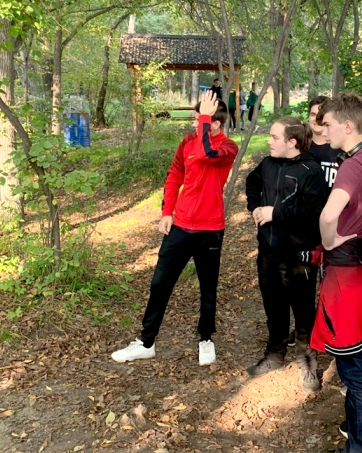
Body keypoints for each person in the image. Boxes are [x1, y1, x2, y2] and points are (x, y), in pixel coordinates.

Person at [111, 94, 238, 366]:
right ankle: (146, 342)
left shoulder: (228, 147)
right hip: (180, 226)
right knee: (159, 284)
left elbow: (207, 154)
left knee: (208, 288)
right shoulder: (187, 142)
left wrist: (205, 119)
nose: (194, 124)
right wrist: (167, 211)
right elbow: (174, 174)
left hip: (210, 229)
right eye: (196, 119)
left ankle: (206, 338)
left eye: (199, 119)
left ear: (214, 123)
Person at [310, 93, 362, 453]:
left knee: (356, 374)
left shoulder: (353, 165)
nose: (322, 130)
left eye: (327, 124)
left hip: (348, 284)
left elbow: (328, 215)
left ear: (347, 125)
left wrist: (329, 241)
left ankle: (359, 449)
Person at [245, 117, 328, 392]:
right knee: (273, 306)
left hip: (299, 256)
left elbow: (314, 212)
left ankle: (308, 364)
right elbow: (251, 181)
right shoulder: (267, 164)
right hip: (269, 251)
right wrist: (256, 207)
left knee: (303, 312)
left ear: (292, 142)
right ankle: (274, 355)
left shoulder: (310, 170)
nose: (269, 141)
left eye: (274, 137)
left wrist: (275, 213)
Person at [308, 95, 342, 194]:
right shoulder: (301, 147)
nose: (316, 119)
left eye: (321, 115)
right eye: (313, 114)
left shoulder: (340, 149)